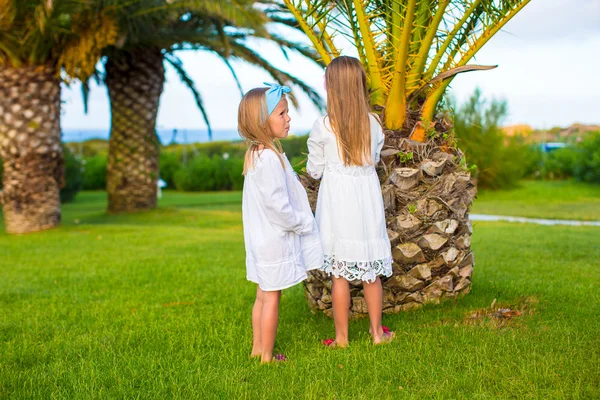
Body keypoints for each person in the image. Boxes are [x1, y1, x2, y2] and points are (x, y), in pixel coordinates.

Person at [307, 57, 394, 347]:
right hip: (366, 202)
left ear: (332, 86)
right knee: (371, 273)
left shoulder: (323, 127)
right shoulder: (372, 124)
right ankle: (377, 334)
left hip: (337, 204)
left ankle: (342, 339)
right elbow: (376, 158)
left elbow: (314, 170)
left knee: (339, 275)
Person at [239, 83, 323, 363]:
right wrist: (302, 223)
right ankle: (266, 355)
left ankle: (255, 348)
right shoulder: (270, 160)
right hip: (274, 240)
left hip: (261, 239)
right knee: (272, 297)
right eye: (282, 114)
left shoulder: (257, 154)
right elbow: (279, 207)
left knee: (263, 294)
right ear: (263, 121)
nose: (288, 119)